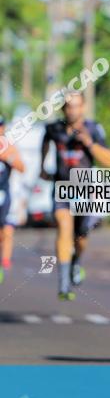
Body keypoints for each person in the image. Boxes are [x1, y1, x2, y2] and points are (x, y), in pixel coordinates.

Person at [40, 92, 110, 300]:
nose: (72, 110)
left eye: (76, 106)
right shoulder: (54, 129)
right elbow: (45, 143)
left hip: (84, 190)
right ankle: (63, 283)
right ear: (63, 109)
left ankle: (76, 262)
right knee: (64, 227)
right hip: (62, 188)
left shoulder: (93, 129)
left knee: (80, 237)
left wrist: (89, 144)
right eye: (69, 106)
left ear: (83, 107)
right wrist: (42, 167)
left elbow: (109, 160)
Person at [0, 117, 25, 284]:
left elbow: (22, 167)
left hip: (4, 194)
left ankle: (5, 261)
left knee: (7, 230)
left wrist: (6, 157)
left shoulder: (9, 147)